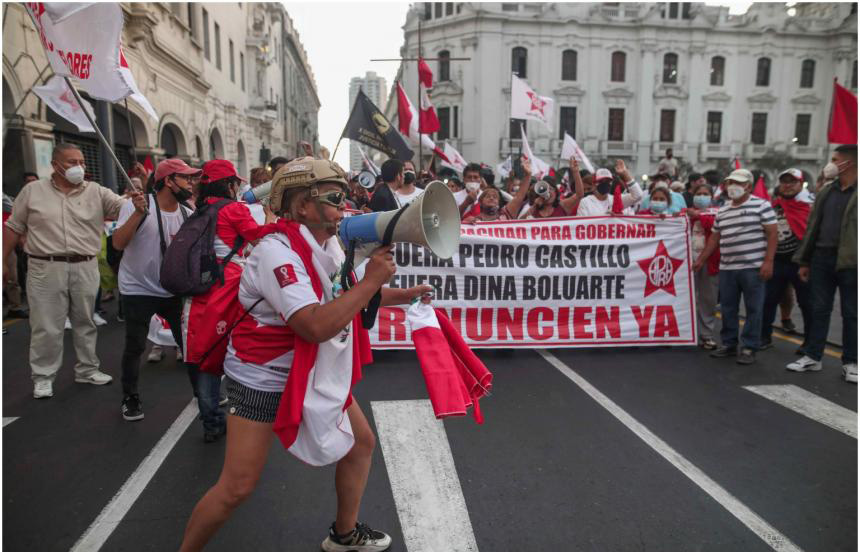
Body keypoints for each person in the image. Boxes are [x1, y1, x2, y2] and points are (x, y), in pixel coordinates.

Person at [178, 157, 432, 552]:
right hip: (262, 378)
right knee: (237, 487)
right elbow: (314, 324)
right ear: (301, 206)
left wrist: (401, 295)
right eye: (334, 198)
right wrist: (371, 282)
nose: (343, 207)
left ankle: (343, 535)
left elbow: (339, 293)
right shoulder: (275, 254)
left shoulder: (325, 243)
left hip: (310, 368)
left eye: (344, 197)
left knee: (359, 443)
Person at [3, 144, 131, 399]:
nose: (79, 167)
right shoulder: (32, 192)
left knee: (85, 320)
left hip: (85, 265)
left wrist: (139, 193)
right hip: (44, 267)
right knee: (46, 325)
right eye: (72, 162)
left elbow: (127, 209)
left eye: (82, 161)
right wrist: (2, 260)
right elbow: (13, 227)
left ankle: (87, 369)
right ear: (55, 165)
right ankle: (43, 377)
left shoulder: (96, 192)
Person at [182, 159, 277, 441]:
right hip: (228, 287)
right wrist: (270, 216)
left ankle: (211, 419)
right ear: (230, 184)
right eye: (236, 182)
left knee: (204, 354)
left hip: (201, 289)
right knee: (231, 351)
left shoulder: (199, 209)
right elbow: (261, 238)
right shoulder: (233, 209)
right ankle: (230, 416)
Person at [111, 158, 200, 422]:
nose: (191, 183)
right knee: (135, 345)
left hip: (172, 289)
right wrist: (138, 214)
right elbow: (118, 243)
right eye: (185, 178)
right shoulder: (137, 205)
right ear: (169, 181)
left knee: (189, 342)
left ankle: (202, 391)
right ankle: (130, 397)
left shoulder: (187, 212)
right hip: (137, 287)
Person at [787, 145, 857, 382]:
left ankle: (851, 362)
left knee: (852, 312)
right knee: (819, 308)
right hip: (821, 257)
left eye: (836, 159)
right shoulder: (827, 191)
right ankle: (813, 356)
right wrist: (805, 260)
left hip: (851, 260)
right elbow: (813, 227)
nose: (832, 163)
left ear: (849, 163)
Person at [693, 169, 777, 365]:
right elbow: (715, 237)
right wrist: (701, 260)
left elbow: (772, 234)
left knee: (753, 308)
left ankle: (749, 347)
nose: (733, 187)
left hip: (753, 267)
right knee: (728, 308)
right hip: (728, 267)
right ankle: (730, 344)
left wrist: (768, 261)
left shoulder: (762, 205)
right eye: (730, 182)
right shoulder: (723, 210)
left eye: (738, 183)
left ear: (748, 185)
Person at [760, 169, 812, 352]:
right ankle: (763, 337)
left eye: (792, 181)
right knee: (768, 300)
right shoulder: (774, 206)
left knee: (807, 303)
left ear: (801, 184)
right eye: (784, 181)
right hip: (777, 261)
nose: (788, 185)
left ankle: (810, 344)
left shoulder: (809, 206)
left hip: (802, 263)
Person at [687, 184, 719, 349]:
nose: (701, 196)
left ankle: (706, 335)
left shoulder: (717, 213)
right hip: (685, 263)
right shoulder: (684, 213)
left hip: (709, 262)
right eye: (698, 193)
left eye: (705, 194)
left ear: (711, 196)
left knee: (708, 299)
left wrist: (698, 215)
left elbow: (714, 227)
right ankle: (683, 334)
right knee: (685, 298)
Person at [576, 160, 643, 216]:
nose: (605, 183)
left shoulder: (617, 199)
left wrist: (625, 174)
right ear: (594, 184)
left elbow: (638, 195)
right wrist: (606, 217)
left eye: (608, 181)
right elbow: (582, 226)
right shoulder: (585, 202)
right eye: (601, 181)